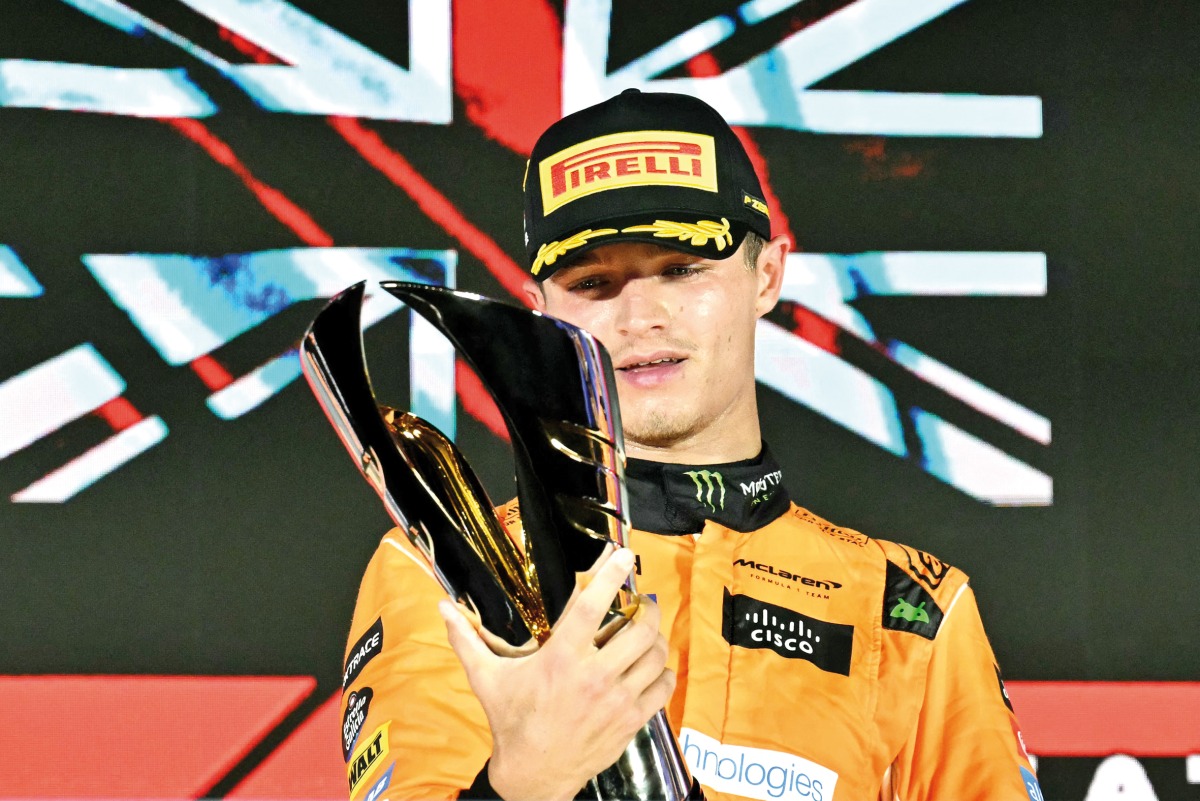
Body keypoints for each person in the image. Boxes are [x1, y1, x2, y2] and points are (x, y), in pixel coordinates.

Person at [339, 89, 1041, 801]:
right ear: (541, 310)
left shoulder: (911, 611)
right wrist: (527, 778)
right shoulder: (442, 570)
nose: (643, 316)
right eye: (593, 282)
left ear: (767, 274)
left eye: (682, 268)